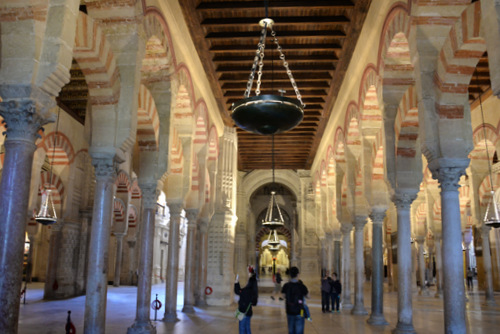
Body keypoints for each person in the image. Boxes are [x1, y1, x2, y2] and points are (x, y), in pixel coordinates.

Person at [282, 266, 309, 334]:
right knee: (299, 330)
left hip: (289, 310)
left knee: (291, 330)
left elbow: (283, 296)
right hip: (301, 311)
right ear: (298, 274)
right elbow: (308, 296)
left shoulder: (286, 285)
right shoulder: (301, 286)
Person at [234, 267, 259, 334]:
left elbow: (237, 291)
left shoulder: (246, 291)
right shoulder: (254, 291)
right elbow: (254, 303)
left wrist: (236, 282)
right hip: (249, 312)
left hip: (243, 312)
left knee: (242, 328)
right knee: (247, 328)